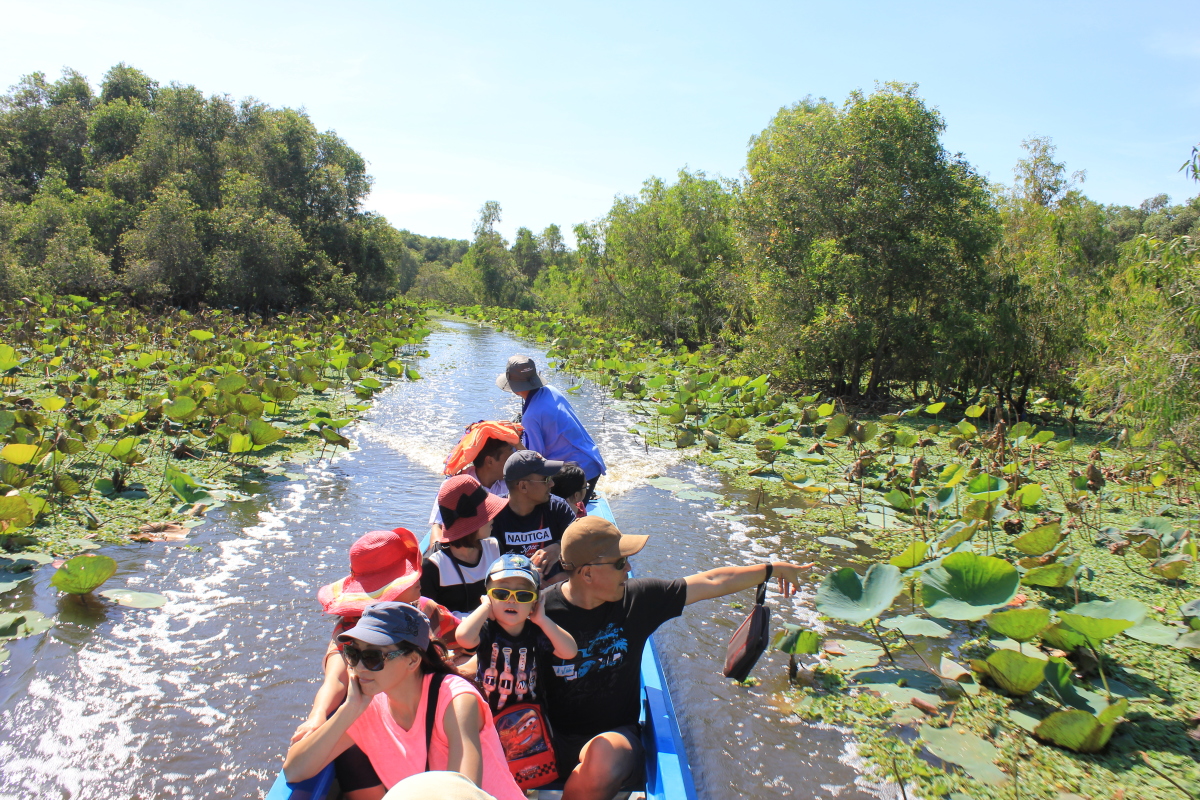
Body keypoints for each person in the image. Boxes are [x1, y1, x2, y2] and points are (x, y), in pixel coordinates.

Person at [542, 516, 814, 800]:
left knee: (602, 759)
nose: (629, 569)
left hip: (615, 738)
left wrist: (772, 569)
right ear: (587, 573)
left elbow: (711, 581)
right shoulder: (541, 612)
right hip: (549, 735)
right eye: (620, 563)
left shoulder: (637, 600)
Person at [283, 602, 525, 800]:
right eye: (353, 654)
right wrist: (349, 709)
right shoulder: (366, 705)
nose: (358, 667)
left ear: (412, 661)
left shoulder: (455, 699)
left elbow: (462, 792)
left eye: (372, 656)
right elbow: (295, 770)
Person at [292, 528, 462, 799]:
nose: (420, 577)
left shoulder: (424, 610)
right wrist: (318, 715)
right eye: (410, 576)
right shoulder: (352, 628)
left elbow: (461, 638)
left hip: (420, 716)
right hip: (371, 723)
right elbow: (335, 680)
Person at [455, 554, 578, 714]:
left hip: (528, 715)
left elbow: (570, 652)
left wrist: (542, 619)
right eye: (501, 594)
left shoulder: (537, 631)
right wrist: (485, 608)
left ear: (535, 602)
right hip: (488, 713)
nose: (512, 600)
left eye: (523, 595)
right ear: (489, 597)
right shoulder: (488, 629)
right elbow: (463, 638)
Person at [496, 355, 606, 498]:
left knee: (556, 514)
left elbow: (533, 460)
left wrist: (516, 443)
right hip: (591, 458)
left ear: (515, 388)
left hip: (575, 472)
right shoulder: (551, 390)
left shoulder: (531, 416)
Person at [421, 474, 507, 615]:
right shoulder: (433, 566)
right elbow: (429, 621)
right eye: (487, 513)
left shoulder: (495, 548)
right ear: (472, 523)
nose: (493, 518)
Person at [429, 422, 521, 546]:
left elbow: (538, 473)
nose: (515, 459)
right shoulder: (456, 486)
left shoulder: (512, 481)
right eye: (510, 454)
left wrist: (518, 444)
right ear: (489, 461)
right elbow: (438, 527)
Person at [490, 451, 575, 581]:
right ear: (523, 486)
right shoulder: (492, 515)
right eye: (546, 479)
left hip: (553, 589)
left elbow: (585, 544)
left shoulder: (558, 507)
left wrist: (560, 546)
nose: (552, 484)